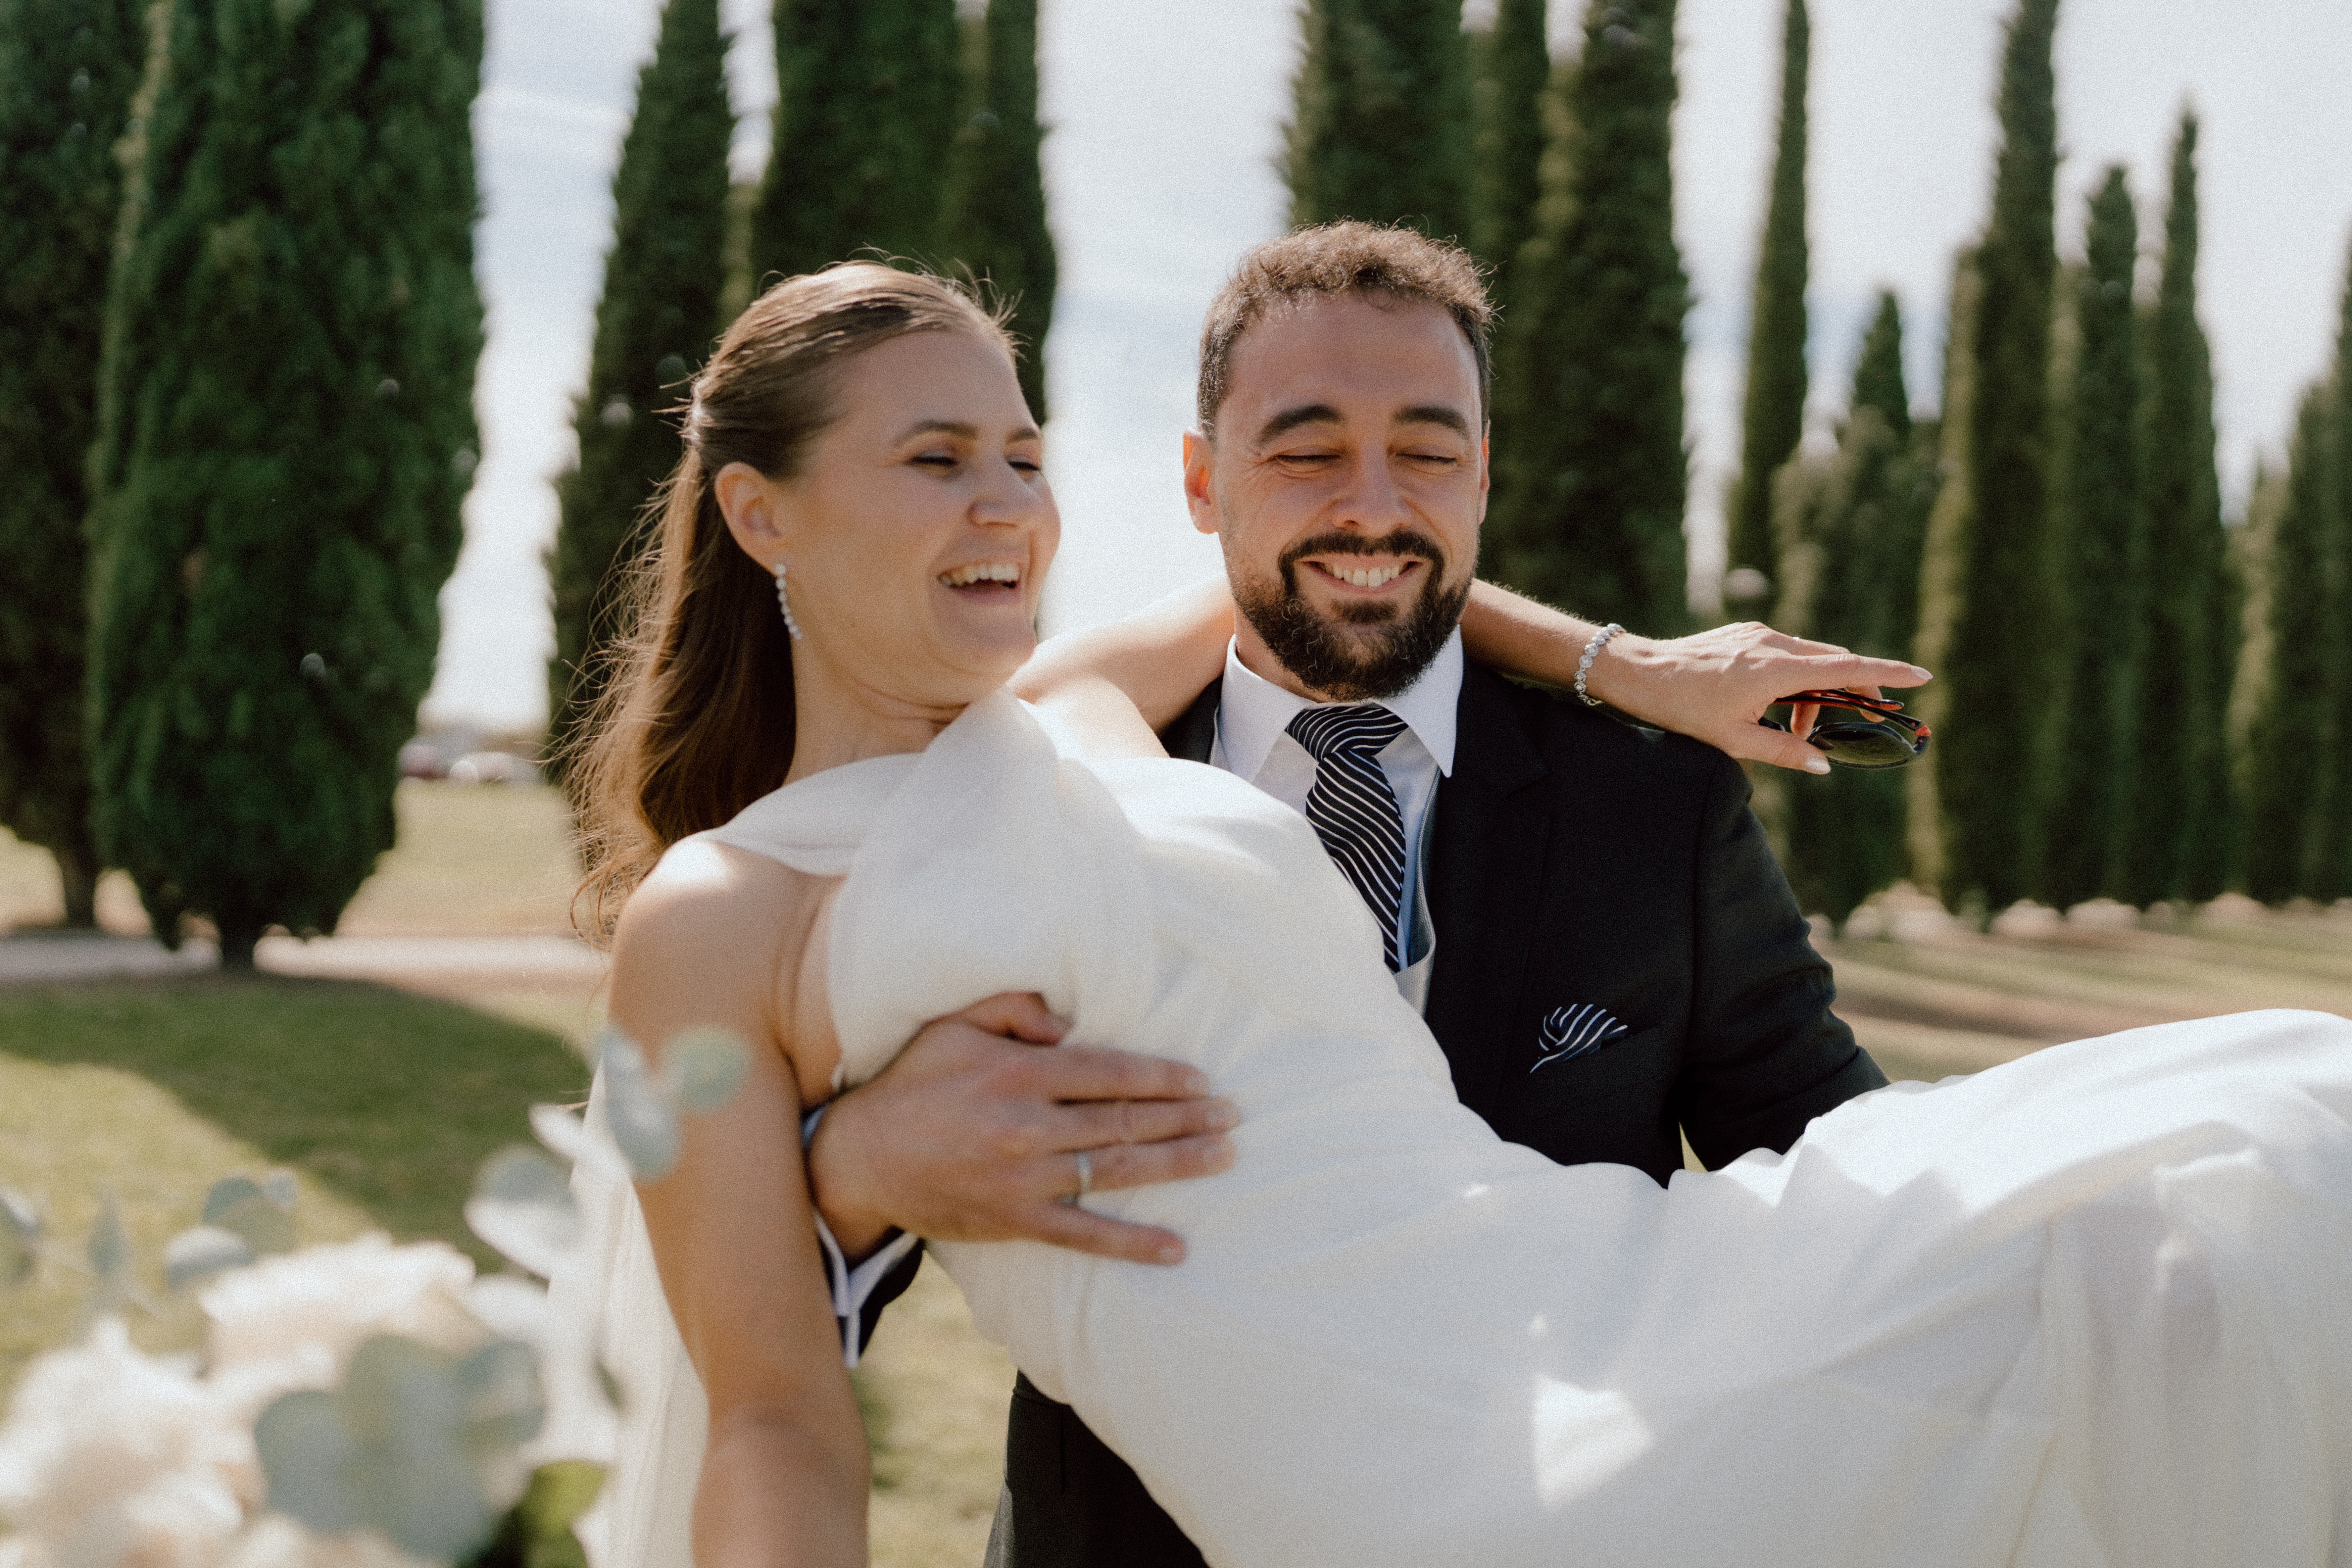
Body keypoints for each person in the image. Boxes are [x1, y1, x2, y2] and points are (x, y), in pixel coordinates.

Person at [563, 259, 2352, 1568]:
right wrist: (848, 1168)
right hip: (1425, 1493)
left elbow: (1337, 566)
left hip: (1621, 1315)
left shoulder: (1079, 703)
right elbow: (778, 1414)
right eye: (937, 458)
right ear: (760, 513)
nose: (1012, 508)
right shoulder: (723, 918)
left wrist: (1634, 669)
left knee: (2234, 1187)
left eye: (1026, 457)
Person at [798, 224, 1910, 1567]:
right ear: (1204, 482)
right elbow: (775, 1223)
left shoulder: (1656, 808)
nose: (1372, 505)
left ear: (1483, 476)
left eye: (1429, 452)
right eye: (1308, 450)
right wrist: (855, 1177)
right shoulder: (1041, 785)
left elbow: (1841, 1176)